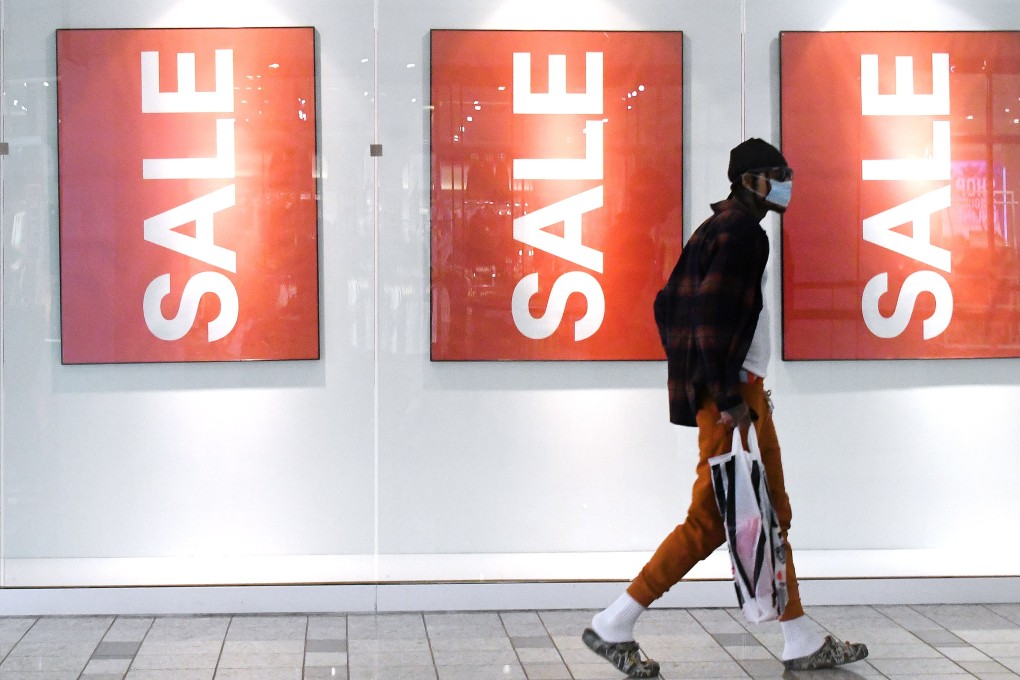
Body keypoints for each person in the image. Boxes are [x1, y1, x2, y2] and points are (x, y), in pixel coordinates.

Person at [581, 138, 869, 678]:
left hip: (738, 394)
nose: (785, 183)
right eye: (775, 174)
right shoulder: (743, 235)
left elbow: (667, 305)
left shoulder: (713, 229)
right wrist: (728, 393)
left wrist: (711, 383)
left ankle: (798, 635)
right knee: (713, 520)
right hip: (736, 400)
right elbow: (709, 316)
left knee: (768, 512)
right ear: (749, 181)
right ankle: (615, 621)